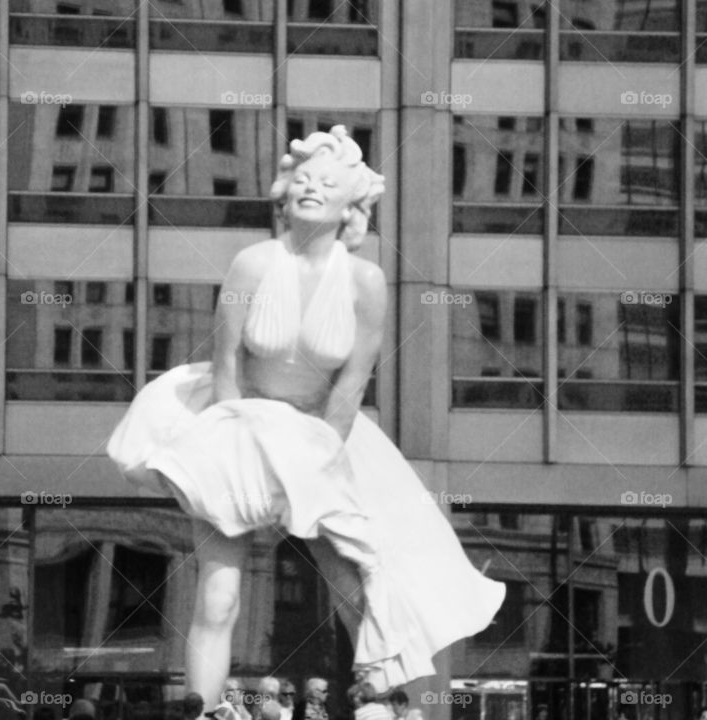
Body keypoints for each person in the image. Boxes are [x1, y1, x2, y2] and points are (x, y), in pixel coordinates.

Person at [107, 125, 506, 709]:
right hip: (237, 426)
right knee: (218, 595)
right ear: (283, 192)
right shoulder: (252, 265)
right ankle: (202, 707)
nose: (311, 188)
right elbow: (227, 368)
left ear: (353, 203)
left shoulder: (365, 284)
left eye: (328, 182)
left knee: (355, 579)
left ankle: (381, 695)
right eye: (303, 179)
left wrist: (315, 465)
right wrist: (234, 453)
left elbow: (351, 388)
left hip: (321, 436)